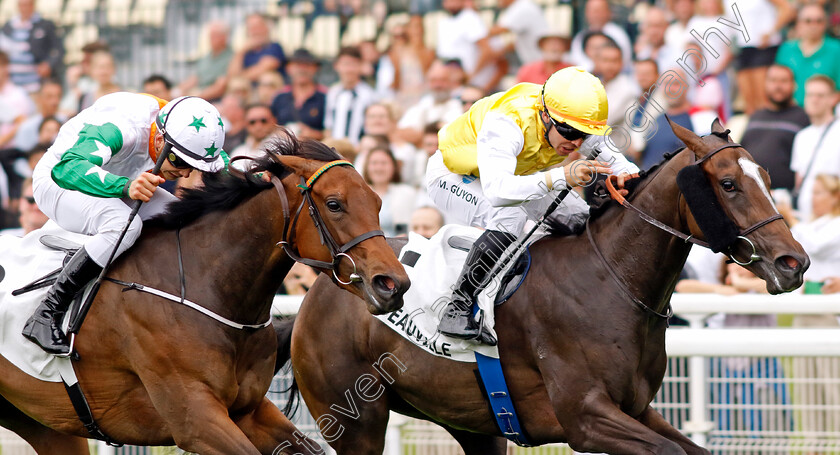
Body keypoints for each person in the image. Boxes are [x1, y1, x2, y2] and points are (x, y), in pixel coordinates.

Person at [426, 67, 638, 344]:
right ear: (545, 115)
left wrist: (632, 180)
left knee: (579, 219)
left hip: (514, 175)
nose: (575, 142)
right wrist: (564, 176)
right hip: (455, 175)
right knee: (509, 216)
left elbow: (619, 163)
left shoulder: (573, 120)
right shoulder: (506, 124)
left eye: (584, 135)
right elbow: (499, 192)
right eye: (568, 132)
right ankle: (457, 307)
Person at [25, 93, 227, 355]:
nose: (186, 173)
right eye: (180, 162)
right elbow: (67, 169)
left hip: (119, 178)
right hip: (60, 180)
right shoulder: (121, 128)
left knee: (181, 218)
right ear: (158, 139)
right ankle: (47, 312)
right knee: (123, 225)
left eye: (193, 166)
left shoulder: (180, 127)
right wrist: (126, 186)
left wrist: (257, 175)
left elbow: (222, 163)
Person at [739, 64, 809, 191]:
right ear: (765, 84)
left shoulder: (803, 117)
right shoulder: (756, 116)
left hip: (783, 196)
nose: (778, 86)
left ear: (794, 85)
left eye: (784, 81)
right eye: (773, 81)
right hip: (750, 193)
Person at [731, 0, 795, 115]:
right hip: (742, 48)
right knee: (749, 105)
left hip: (763, 47)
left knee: (763, 101)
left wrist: (771, 32)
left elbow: (787, 9)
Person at [790, 75, 840, 221]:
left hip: (833, 219)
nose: (814, 99)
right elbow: (799, 181)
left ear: (834, 99)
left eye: (820, 95)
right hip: (806, 218)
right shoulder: (801, 136)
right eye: (810, 95)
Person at [775, 4, 840, 108]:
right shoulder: (786, 49)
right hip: (789, 112)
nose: (813, 25)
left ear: (825, 24)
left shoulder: (836, 50)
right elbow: (776, 84)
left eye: (819, 21)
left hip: (824, 113)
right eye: (808, 21)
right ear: (798, 24)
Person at [0, 0, 63, 93]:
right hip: (13, 84)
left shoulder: (45, 25)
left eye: (27, 5)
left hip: (35, 83)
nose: (25, 8)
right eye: (22, 5)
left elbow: (58, 50)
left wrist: (48, 64)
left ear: (33, 5)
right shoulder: (8, 27)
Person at [324, 46, 376, 145]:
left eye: (353, 64)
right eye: (345, 64)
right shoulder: (333, 92)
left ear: (361, 66)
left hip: (358, 150)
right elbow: (328, 126)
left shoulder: (368, 95)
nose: (349, 69)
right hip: (335, 151)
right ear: (336, 66)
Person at [270, 48, 326, 141]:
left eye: (307, 65)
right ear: (288, 68)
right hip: (284, 150)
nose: (302, 69)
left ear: (315, 68)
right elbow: (268, 125)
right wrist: (280, 132)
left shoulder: (325, 97)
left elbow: (332, 131)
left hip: (315, 151)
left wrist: (313, 134)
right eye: (297, 65)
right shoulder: (279, 97)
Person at [362, 146, 417, 237]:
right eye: (374, 163)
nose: (379, 168)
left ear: (393, 166)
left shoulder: (407, 193)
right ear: (367, 167)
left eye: (384, 163)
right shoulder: (360, 195)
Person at [176, 20, 232, 102]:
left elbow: (220, 86)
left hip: (215, 100)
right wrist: (177, 91)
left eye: (215, 35)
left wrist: (195, 97)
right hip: (198, 95)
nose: (211, 39)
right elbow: (195, 78)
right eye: (210, 35)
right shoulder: (206, 57)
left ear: (224, 37)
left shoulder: (231, 58)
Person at [569, 0, 632, 71]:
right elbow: (575, 62)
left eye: (599, 11)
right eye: (592, 11)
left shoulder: (618, 35)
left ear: (609, 12)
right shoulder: (580, 37)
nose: (595, 15)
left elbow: (624, 62)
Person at [227, 13, 286, 85]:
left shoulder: (274, 47)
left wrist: (239, 77)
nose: (254, 31)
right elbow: (231, 76)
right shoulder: (246, 52)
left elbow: (262, 69)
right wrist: (242, 51)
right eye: (250, 28)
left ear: (266, 28)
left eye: (257, 27)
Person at [592, 41, 638, 127]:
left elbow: (602, 121)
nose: (610, 65)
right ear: (596, 62)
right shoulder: (596, 83)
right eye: (605, 60)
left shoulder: (627, 89)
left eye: (615, 61)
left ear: (622, 63)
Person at [13, 78, 64, 153]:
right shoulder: (27, 127)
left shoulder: (67, 123)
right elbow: (19, 158)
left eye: (58, 96)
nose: (55, 101)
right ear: (39, 98)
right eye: (49, 97)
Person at [0, 50, 35, 149]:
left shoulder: (18, 94)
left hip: (14, 151)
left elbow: (23, 121)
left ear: (5, 68)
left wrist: (2, 140)